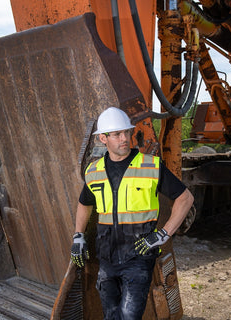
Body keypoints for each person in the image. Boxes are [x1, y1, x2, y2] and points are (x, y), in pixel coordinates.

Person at [70, 107, 194, 320]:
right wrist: (78, 235)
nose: (124, 138)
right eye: (117, 134)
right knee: (110, 315)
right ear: (103, 138)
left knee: (128, 316)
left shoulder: (150, 167)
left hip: (138, 256)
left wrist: (163, 234)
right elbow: (84, 204)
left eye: (126, 132)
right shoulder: (94, 172)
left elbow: (185, 199)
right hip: (106, 257)